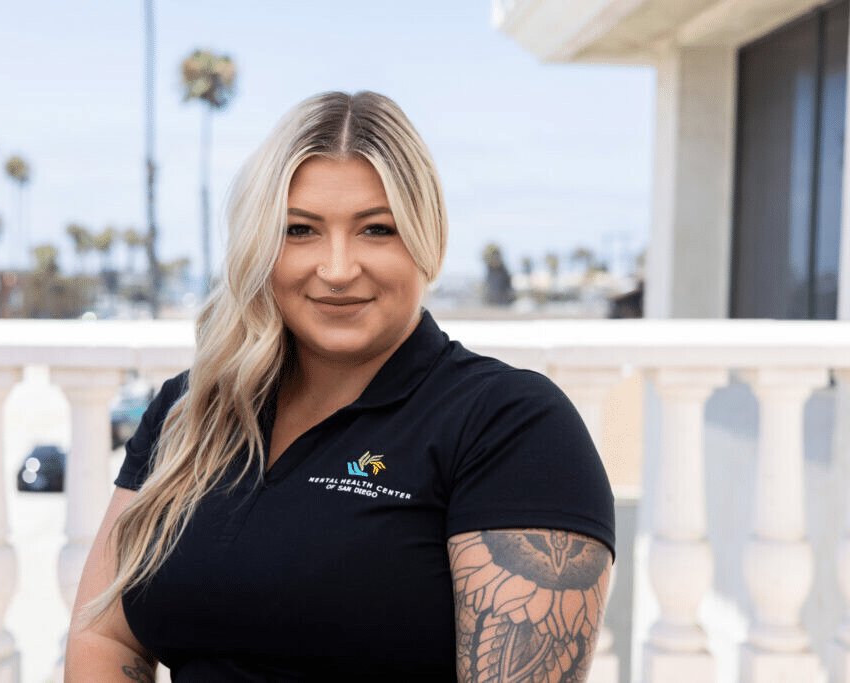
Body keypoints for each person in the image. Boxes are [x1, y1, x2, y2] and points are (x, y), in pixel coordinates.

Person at [65, 90, 615, 683]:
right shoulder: (193, 409)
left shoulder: (511, 426)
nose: (336, 269)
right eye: (300, 230)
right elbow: (104, 635)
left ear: (426, 238)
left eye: (376, 229)